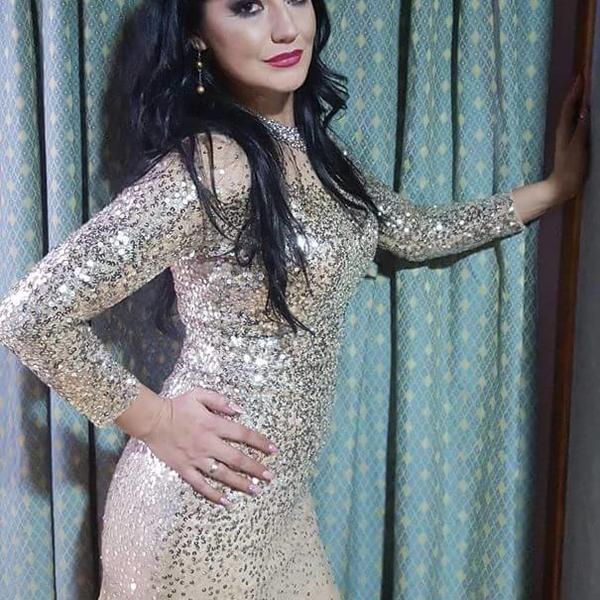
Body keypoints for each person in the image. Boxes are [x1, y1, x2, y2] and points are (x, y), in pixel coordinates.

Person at [0, 0, 589, 598]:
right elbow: (30, 315)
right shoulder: (213, 166)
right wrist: (156, 421)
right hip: (202, 513)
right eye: (249, 7)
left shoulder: (319, 153)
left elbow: (415, 231)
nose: (287, 27)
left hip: (281, 502)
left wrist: (553, 190)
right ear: (197, 36)